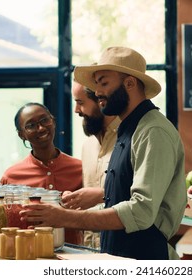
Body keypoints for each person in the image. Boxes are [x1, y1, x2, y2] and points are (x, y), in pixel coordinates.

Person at [21, 47, 187, 260]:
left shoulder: (152, 131)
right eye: (96, 84)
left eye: (104, 83)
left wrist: (67, 218)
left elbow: (141, 212)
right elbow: (129, 187)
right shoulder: (129, 128)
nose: (97, 92)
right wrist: (103, 193)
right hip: (118, 256)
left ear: (129, 83)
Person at [0, 102, 83, 245]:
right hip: (27, 253)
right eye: (31, 125)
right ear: (22, 135)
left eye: (45, 120)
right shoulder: (11, 176)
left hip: (73, 255)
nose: (41, 128)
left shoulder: (80, 169)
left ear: (53, 122)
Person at [62, 81, 121, 248]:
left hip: (124, 252)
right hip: (91, 251)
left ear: (101, 101)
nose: (76, 110)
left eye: (80, 103)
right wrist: (75, 202)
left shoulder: (131, 139)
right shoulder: (87, 146)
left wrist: (101, 194)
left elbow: (144, 199)